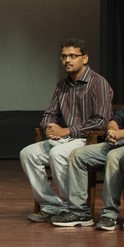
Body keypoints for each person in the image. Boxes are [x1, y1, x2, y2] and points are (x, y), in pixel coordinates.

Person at [54, 46, 124, 229]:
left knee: (114, 157)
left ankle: (109, 214)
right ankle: (79, 211)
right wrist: (113, 130)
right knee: (78, 154)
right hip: (120, 141)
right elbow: (117, 119)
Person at [20, 38, 114, 223]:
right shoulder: (62, 85)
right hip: (65, 138)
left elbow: (102, 121)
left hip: (89, 140)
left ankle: (74, 208)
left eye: (73, 56)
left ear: (85, 58)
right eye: (64, 56)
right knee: (27, 153)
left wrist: (68, 131)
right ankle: (51, 205)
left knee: (57, 154)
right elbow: (49, 114)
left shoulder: (98, 83)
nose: (67, 60)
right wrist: (50, 127)